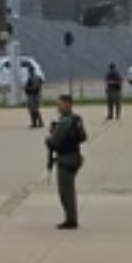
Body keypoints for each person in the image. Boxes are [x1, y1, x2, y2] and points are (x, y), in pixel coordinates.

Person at [46, 94, 87, 229]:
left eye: (60, 104)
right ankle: (71, 217)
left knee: (66, 192)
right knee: (69, 190)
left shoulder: (65, 122)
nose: (58, 107)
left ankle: (71, 219)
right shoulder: (75, 119)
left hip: (65, 159)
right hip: (74, 156)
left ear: (68, 105)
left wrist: (49, 138)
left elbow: (54, 141)